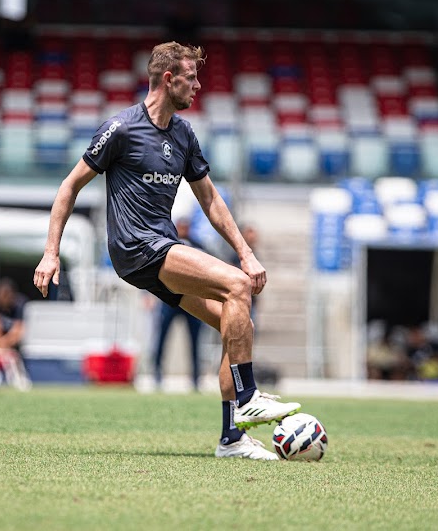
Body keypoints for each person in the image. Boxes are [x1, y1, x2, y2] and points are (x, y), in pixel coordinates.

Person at [34, 41, 300, 461]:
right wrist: (52, 252)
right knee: (236, 284)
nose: (198, 86)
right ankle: (249, 399)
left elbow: (211, 201)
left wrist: (246, 252)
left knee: (235, 320)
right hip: (135, 247)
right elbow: (69, 187)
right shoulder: (120, 129)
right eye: (192, 78)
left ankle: (232, 438)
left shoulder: (183, 134)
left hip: (163, 249)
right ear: (168, 79)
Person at [151, 218, 205, 391]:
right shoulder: (168, 243)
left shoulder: (199, 245)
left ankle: (196, 378)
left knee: (195, 341)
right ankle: (157, 374)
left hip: (192, 298)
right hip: (169, 299)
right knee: (161, 338)